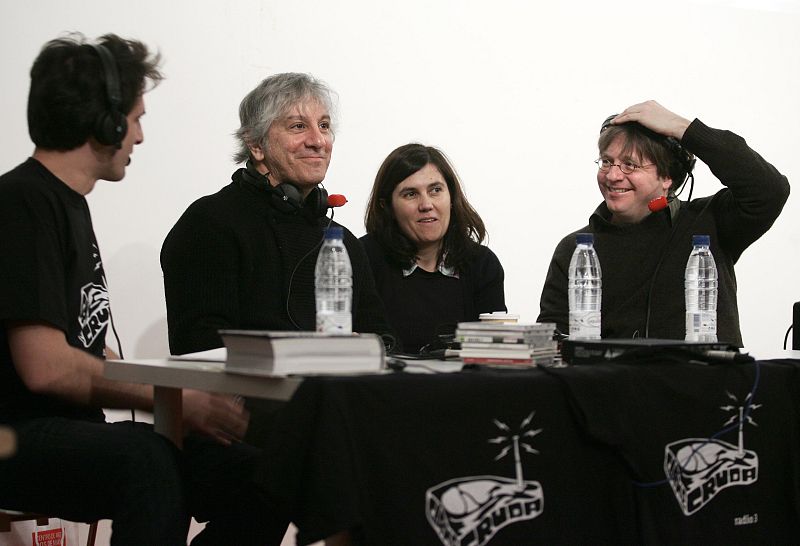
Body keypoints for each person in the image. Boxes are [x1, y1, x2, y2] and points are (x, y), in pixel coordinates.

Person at [0, 33, 283, 545]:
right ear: (104, 120)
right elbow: (46, 367)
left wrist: (184, 401)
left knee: (263, 473)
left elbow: (83, 347)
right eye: (135, 119)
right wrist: (168, 399)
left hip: (65, 431)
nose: (139, 136)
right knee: (148, 461)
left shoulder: (66, 204)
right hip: (16, 433)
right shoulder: (22, 202)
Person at [160, 72, 390, 356]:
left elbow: (384, 339)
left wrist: (367, 347)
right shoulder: (209, 223)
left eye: (324, 126)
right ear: (256, 145)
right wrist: (314, 354)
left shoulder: (343, 243)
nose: (318, 141)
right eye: (298, 126)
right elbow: (199, 346)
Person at [538, 100, 789, 346]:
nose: (613, 176)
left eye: (629, 165)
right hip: (611, 375)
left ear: (667, 176)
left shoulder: (710, 222)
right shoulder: (575, 250)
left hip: (700, 374)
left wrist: (683, 128)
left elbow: (770, 190)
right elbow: (550, 344)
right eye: (606, 162)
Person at [362, 143, 506, 353]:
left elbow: (495, 353)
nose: (426, 205)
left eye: (435, 190)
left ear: (451, 197)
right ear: (387, 207)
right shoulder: (363, 258)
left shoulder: (482, 264)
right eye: (410, 194)